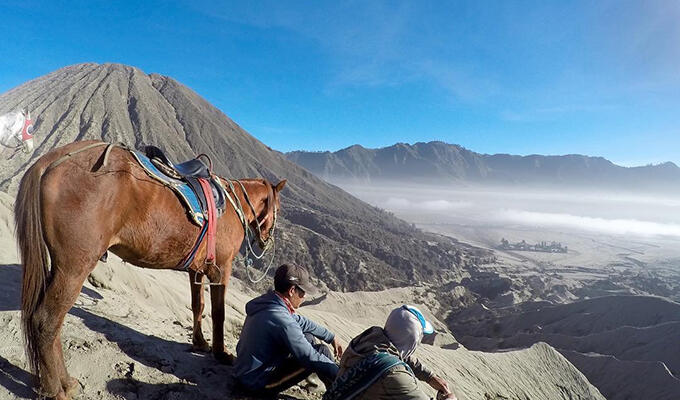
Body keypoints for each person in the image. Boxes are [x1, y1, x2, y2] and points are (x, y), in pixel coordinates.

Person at [233, 263, 343, 396]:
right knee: (322, 352)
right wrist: (343, 375)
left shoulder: (270, 302)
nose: (305, 297)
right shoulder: (282, 319)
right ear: (291, 291)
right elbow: (309, 357)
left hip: (245, 371)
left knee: (308, 336)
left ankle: (329, 385)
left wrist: (331, 337)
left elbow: (301, 322)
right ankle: (341, 391)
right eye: (302, 292)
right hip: (256, 383)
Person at [324, 305, 458, 400]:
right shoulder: (394, 376)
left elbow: (400, 357)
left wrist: (429, 377)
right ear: (413, 339)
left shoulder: (367, 341)